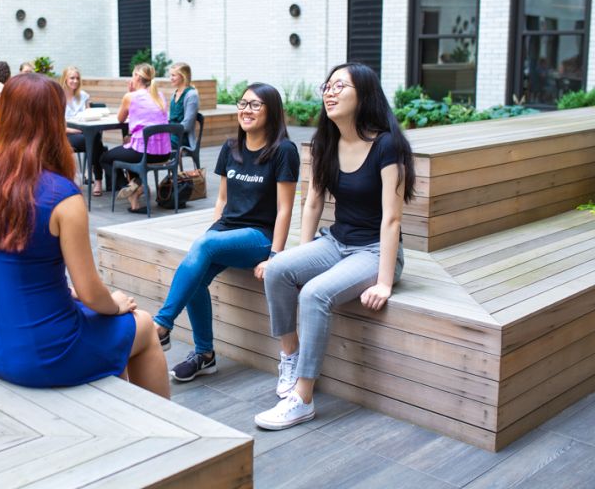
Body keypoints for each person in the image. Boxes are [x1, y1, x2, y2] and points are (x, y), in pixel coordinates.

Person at [0, 73, 169, 396]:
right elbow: (91, 292)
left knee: (100, 323)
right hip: (46, 354)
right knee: (142, 325)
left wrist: (68, 292)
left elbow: (15, 263)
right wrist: (115, 304)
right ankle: (168, 432)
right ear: (53, 122)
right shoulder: (62, 197)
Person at [254, 61, 415, 431]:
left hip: (374, 251)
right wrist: (301, 254)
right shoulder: (326, 141)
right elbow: (313, 202)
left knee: (314, 295)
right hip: (336, 241)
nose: (329, 91)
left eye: (339, 86)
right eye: (326, 86)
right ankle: (291, 356)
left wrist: (385, 282)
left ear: (365, 94)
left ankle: (303, 397)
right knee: (278, 269)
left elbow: (392, 219)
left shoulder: (387, 145)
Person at [154, 83, 299, 382]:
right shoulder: (230, 147)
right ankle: (205, 355)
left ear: (272, 111)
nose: (246, 110)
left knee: (203, 247)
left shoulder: (283, 151)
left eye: (255, 105)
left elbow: (285, 209)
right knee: (197, 275)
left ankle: (162, 325)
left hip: (259, 236)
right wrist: (212, 237)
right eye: (242, 104)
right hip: (226, 232)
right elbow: (222, 199)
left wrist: (274, 255)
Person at [100, 63, 171, 213]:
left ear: (137, 77)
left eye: (133, 75)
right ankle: (135, 194)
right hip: (164, 152)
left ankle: (133, 187)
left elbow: (120, 119)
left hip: (144, 152)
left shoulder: (130, 97)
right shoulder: (160, 96)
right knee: (127, 150)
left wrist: (129, 93)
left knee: (105, 158)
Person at [60, 66, 105, 196]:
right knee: (95, 142)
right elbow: (59, 126)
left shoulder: (83, 95)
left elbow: (89, 115)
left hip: (84, 131)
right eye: (72, 78)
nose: (75, 81)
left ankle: (97, 181)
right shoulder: (59, 96)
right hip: (67, 134)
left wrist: (84, 129)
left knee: (95, 140)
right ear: (65, 79)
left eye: (77, 78)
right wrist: (76, 131)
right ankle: (94, 178)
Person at [167, 62, 200, 151]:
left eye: (173, 75)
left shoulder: (191, 95)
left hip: (182, 138)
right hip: (171, 134)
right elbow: (170, 118)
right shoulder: (174, 94)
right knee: (151, 139)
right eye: (170, 75)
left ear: (183, 76)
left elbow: (187, 125)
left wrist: (167, 129)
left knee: (156, 143)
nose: (171, 78)